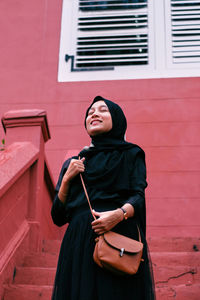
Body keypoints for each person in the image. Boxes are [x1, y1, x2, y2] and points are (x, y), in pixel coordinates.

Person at [51, 96, 156, 300]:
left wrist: (118, 215)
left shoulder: (131, 154)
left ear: (117, 119)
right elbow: (57, 216)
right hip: (79, 242)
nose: (94, 114)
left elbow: (138, 195)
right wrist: (66, 180)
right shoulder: (74, 163)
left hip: (118, 237)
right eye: (90, 112)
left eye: (103, 110)